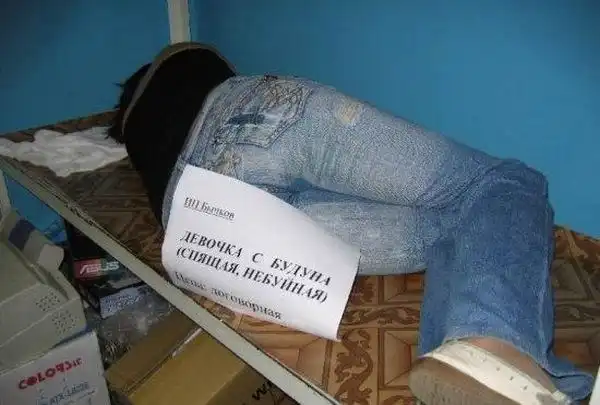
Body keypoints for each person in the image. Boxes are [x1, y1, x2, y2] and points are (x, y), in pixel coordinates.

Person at [108, 42, 593, 404]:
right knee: (502, 182)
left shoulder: (133, 135)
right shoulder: (183, 57)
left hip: (196, 219)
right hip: (248, 114)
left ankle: (472, 365)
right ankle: (497, 344)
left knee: (465, 222)